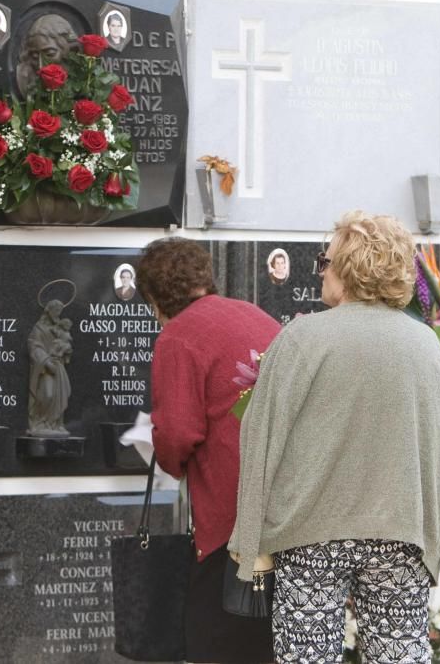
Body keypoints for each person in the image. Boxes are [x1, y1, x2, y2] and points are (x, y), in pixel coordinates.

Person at [230, 211, 440, 663]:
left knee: (307, 657)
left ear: (349, 268)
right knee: (399, 655)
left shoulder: (304, 337)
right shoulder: (424, 345)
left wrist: (251, 539)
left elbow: (261, 439)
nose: (322, 270)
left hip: (311, 532)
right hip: (402, 531)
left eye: (327, 260)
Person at [138, 237, 280, 663]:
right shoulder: (255, 314)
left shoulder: (178, 336)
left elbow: (179, 432)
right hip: (283, 503)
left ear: (153, 298)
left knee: (217, 637)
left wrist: (166, 457)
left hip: (229, 512)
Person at [27, 300, 72, 436]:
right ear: (49, 311)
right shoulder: (39, 328)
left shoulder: (61, 328)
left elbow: (67, 343)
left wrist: (66, 350)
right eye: (56, 311)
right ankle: (40, 423)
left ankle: (56, 424)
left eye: (59, 311)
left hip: (58, 366)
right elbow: (34, 346)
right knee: (47, 394)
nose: (58, 314)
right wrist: (46, 362)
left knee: (60, 395)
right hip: (45, 368)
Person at [16, 14, 78, 91]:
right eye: (35, 57)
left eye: (50, 54)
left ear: (68, 51)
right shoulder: (23, 77)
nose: (40, 67)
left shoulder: (83, 78)